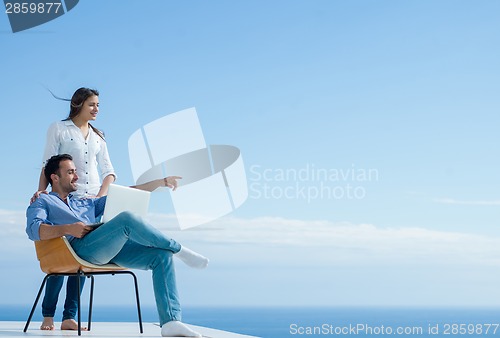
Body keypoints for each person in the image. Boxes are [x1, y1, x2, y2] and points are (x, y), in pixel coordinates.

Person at [26, 154, 208, 337]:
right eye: (71, 172)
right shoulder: (43, 201)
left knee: (161, 256)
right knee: (127, 219)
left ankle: (171, 322)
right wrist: (68, 228)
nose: (76, 176)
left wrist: (161, 181)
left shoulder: (84, 201)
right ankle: (180, 250)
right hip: (78, 250)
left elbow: (127, 193)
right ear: (55, 178)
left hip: (106, 248)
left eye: (75, 171)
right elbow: (33, 230)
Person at [31, 88, 117, 331]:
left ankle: (70, 316)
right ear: (78, 104)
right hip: (64, 199)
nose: (97, 109)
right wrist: (43, 194)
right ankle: (48, 315)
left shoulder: (99, 137)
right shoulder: (59, 128)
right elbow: (47, 165)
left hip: (90, 203)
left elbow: (109, 171)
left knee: (81, 260)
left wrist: (99, 196)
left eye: (98, 104)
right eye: (92, 104)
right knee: (60, 257)